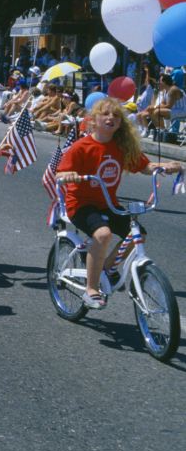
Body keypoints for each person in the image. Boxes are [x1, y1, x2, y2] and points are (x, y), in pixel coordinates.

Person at [56, 97, 182, 309]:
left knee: (138, 235)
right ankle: (91, 289)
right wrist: (70, 176)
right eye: (105, 114)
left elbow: (144, 166)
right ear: (93, 120)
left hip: (107, 204)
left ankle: (105, 267)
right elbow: (61, 173)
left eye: (115, 115)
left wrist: (165, 166)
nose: (111, 118)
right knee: (103, 234)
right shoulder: (82, 147)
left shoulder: (121, 148)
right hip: (81, 204)